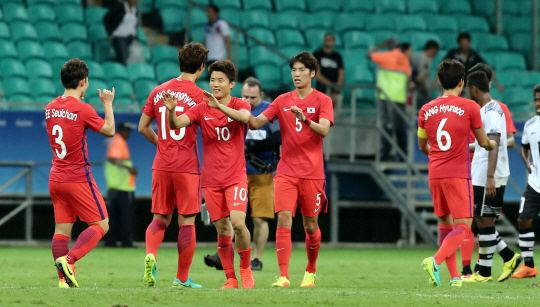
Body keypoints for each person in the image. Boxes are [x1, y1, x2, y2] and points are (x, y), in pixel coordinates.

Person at [165, 60, 255, 289]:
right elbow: (177, 124)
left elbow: (245, 119)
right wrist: (172, 111)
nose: (215, 84)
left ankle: (245, 269)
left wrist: (218, 107)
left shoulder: (240, 103)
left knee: (238, 223)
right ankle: (231, 278)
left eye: (220, 80)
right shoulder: (200, 107)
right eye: (212, 79)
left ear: (231, 84)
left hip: (235, 177)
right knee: (222, 230)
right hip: (211, 180)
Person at [249, 51, 334, 288]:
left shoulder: (322, 101)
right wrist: (239, 109)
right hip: (285, 171)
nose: (296, 74)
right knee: (283, 218)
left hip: (313, 173)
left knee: (310, 226)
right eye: (293, 70)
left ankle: (310, 270)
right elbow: (256, 122)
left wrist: (305, 120)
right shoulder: (282, 101)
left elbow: (324, 130)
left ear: (312, 73)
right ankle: (284, 276)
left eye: (301, 70)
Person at [418, 59, 496, 288]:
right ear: (462, 82)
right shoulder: (469, 107)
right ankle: (436, 261)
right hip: (458, 174)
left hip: (435, 173)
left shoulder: (425, 109)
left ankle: (454, 277)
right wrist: (492, 144)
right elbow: (482, 142)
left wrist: (439, 156)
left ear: (440, 81)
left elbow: (422, 146)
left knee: (445, 224)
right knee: (464, 225)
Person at [138, 42, 209, 289]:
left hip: (161, 164)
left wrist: (161, 144)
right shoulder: (201, 96)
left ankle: (151, 255)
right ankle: (181, 277)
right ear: (201, 68)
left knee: (160, 217)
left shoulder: (158, 91)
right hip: (186, 166)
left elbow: (142, 127)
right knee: (186, 222)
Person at [46, 58, 116, 288]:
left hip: (56, 177)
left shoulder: (50, 107)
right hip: (77, 177)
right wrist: (107, 103)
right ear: (83, 82)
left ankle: (62, 281)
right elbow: (109, 130)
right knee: (101, 225)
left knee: (61, 231)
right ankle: (69, 261)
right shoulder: (83, 109)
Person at [462, 70, 521, 283]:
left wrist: (489, 176)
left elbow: (494, 141)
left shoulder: (491, 111)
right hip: (482, 171)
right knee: (481, 219)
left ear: (474, 89)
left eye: (469, 88)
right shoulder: (487, 109)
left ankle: (485, 272)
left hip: (489, 173)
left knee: (484, 220)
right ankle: (505, 259)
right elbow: (483, 144)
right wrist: (462, 147)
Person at [511, 85, 540, 279]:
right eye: (536, 100)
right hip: (535, 183)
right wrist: (527, 162)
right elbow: (524, 147)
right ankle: (529, 265)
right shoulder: (530, 125)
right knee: (523, 219)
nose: (537, 103)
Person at [367, 40, 413, 161]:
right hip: (400, 97)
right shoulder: (405, 60)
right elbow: (408, 80)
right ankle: (403, 155)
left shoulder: (384, 56)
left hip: (385, 97)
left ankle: (385, 154)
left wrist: (380, 45)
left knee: (386, 125)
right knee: (400, 127)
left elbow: (369, 55)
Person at [104, 122, 138, 248]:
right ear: (120, 131)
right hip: (123, 185)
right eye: (126, 130)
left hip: (114, 184)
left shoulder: (115, 141)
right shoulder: (119, 141)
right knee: (126, 216)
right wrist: (128, 168)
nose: (128, 133)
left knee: (113, 216)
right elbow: (113, 159)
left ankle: (111, 241)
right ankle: (126, 242)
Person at [313, 33, 344, 109]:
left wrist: (336, 90)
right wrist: (330, 86)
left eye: (330, 40)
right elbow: (317, 74)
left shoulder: (337, 56)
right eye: (326, 39)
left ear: (334, 42)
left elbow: (341, 74)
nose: (328, 41)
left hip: (335, 91)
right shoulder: (317, 54)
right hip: (322, 89)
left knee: (335, 116)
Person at [104, 0, 139, 65]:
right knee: (124, 59)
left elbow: (133, 26)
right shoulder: (120, 7)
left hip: (131, 38)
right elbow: (106, 18)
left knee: (135, 60)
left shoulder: (135, 10)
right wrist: (110, 33)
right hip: (120, 37)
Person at [411, 40, 439, 108]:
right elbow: (420, 78)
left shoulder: (422, 57)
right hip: (420, 93)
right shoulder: (422, 58)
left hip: (421, 93)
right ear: (433, 50)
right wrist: (426, 93)